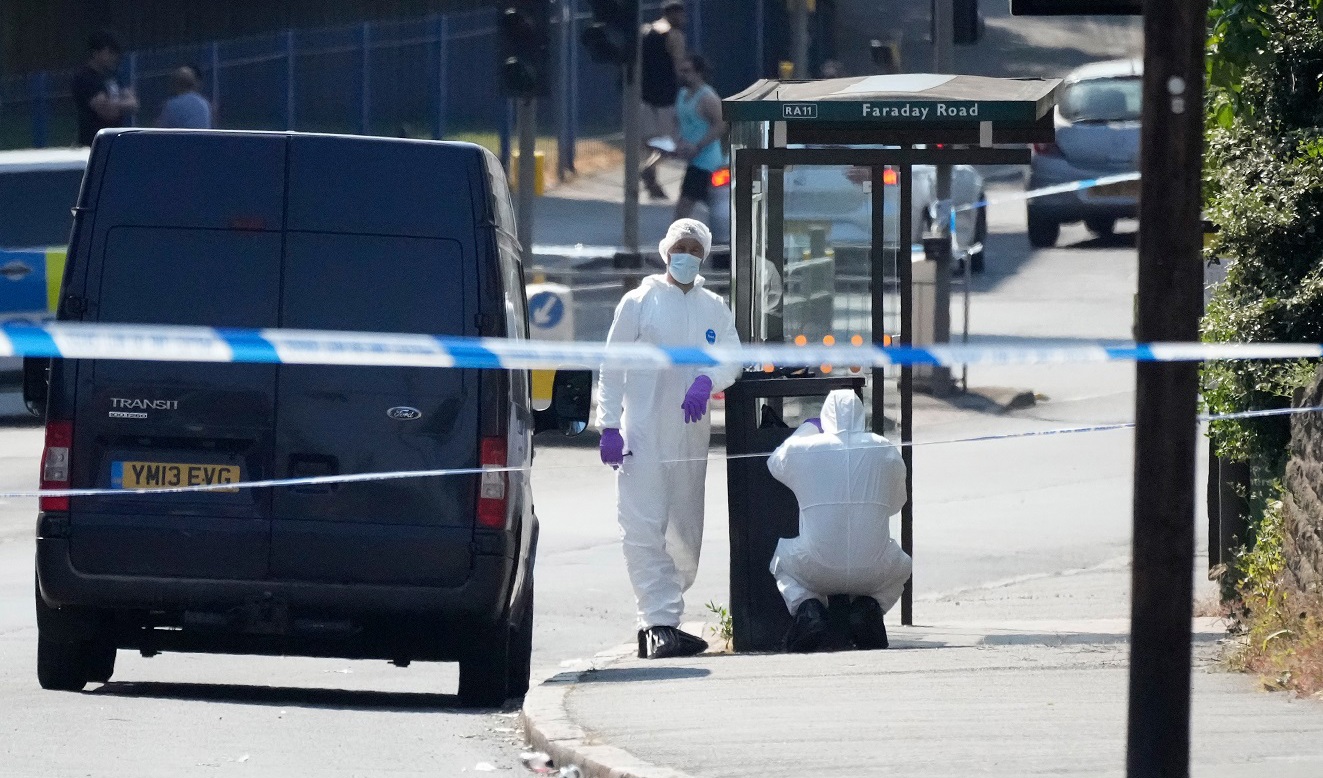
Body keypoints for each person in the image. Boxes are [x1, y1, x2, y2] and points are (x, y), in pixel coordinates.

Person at [596, 218, 742, 660]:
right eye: (681, 247)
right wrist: (608, 425)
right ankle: (657, 623)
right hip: (640, 434)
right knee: (642, 527)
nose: (687, 256)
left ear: (705, 255)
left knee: (685, 533)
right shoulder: (639, 302)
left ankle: (665, 620)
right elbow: (611, 366)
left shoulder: (714, 306)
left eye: (696, 250)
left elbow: (733, 357)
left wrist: (707, 379)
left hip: (689, 439)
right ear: (665, 250)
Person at [766, 390, 913, 653]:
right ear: (861, 415)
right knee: (902, 566)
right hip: (873, 569)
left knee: (781, 561)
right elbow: (896, 504)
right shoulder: (883, 448)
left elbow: (775, 462)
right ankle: (868, 609)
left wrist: (808, 428)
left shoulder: (806, 448)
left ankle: (807, 608)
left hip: (815, 567)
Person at [639, 1, 688, 201]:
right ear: (674, 14)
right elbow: (679, 67)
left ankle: (653, 182)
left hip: (642, 96)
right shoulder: (674, 35)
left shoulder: (645, 31)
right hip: (666, 98)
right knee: (671, 144)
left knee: (650, 142)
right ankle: (648, 169)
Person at [673, 54, 727, 222]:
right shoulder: (682, 94)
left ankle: (677, 244)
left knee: (683, 209)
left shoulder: (708, 98)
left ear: (699, 73)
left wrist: (697, 146)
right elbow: (681, 122)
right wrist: (678, 142)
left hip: (706, 161)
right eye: (681, 70)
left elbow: (721, 125)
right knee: (714, 205)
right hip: (692, 159)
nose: (683, 74)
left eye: (687, 71)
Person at [71, 30, 139, 146]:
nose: (114, 57)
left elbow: (134, 104)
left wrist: (115, 104)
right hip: (92, 143)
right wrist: (122, 104)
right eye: (109, 52)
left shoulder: (113, 76)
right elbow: (106, 112)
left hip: (115, 142)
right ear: (95, 53)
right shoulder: (85, 77)